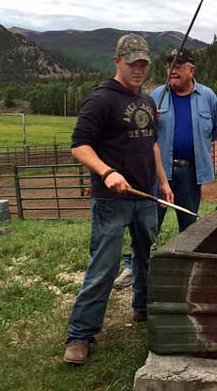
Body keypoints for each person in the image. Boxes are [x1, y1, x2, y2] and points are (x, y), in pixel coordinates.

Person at [63, 34, 173, 365]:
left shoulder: (146, 100)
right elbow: (79, 145)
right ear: (117, 62)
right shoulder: (101, 99)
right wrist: (107, 172)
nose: (138, 70)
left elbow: (151, 145)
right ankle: (80, 335)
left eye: (143, 65)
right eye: (132, 64)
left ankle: (142, 310)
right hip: (112, 200)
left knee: (146, 258)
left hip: (145, 196)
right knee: (105, 265)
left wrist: (163, 184)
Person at [150, 47, 217, 232]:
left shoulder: (207, 96)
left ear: (191, 70)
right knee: (150, 222)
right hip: (159, 171)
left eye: (177, 66)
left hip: (190, 172)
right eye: (169, 66)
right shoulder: (156, 97)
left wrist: (199, 144)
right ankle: (140, 259)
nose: (172, 71)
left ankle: (184, 258)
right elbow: (144, 132)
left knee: (188, 225)